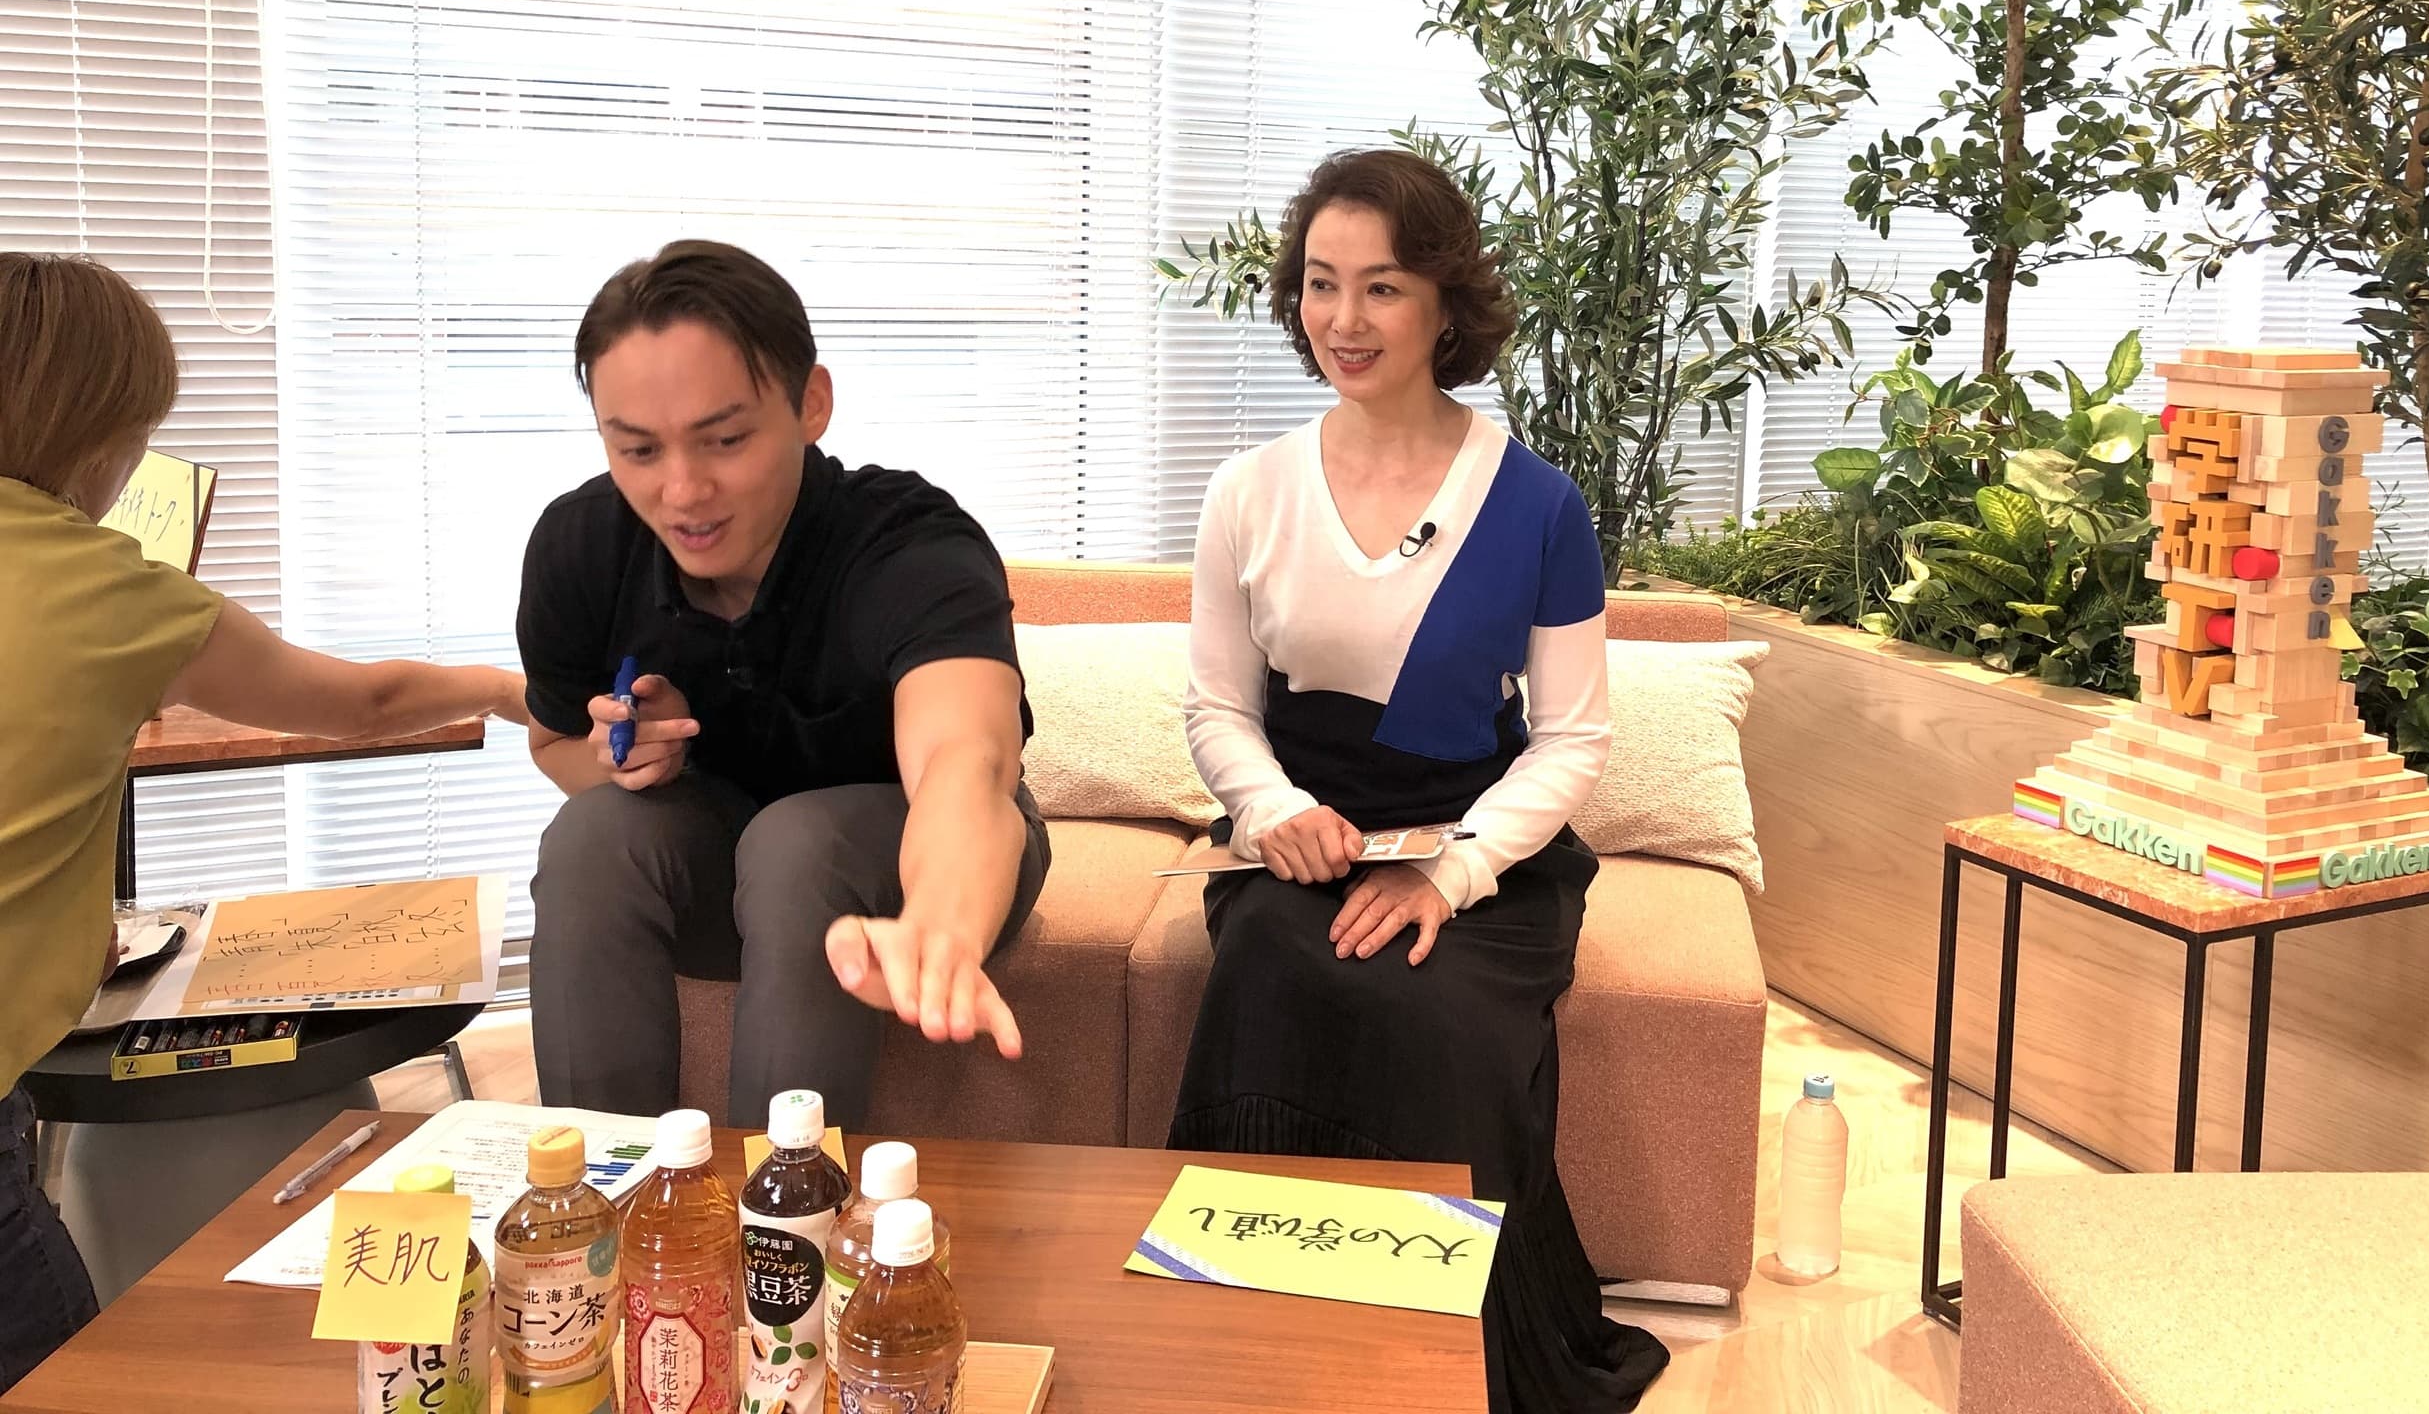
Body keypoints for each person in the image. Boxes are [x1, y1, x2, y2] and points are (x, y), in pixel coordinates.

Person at [1170, 149, 1668, 1412]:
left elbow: (1571, 738)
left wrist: (1452, 874)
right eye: (1320, 283)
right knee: (1271, 966)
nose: (1343, 319)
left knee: (1436, 1013)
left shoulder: (1539, 506)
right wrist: (1272, 811)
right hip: (1302, 837)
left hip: (1476, 850)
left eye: (1381, 287)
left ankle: (1454, 1376)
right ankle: (1257, 1361)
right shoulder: (1248, 490)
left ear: (1446, 301)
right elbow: (1219, 707)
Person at [0, 253, 529, 1390]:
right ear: (98, 437)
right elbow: (360, 702)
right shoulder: (102, 588)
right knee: (62, 1367)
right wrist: (499, 687)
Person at [517, 239, 1050, 1127]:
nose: (682, 490)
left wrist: (940, 924)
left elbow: (967, 759)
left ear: (811, 403)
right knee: (592, 835)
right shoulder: (582, 547)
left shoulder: (907, 543)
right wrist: (627, 760)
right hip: (719, 863)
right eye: (638, 449)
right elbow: (555, 744)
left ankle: (789, 1203)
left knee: (797, 842)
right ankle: (602, 1188)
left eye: (724, 440)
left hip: (913, 856)